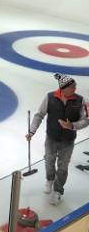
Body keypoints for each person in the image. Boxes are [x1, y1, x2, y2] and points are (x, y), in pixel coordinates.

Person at [26, 73, 89, 205]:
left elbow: (86, 120)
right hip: (51, 138)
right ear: (63, 88)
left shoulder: (80, 100)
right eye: (72, 86)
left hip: (68, 141)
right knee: (49, 160)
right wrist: (32, 131)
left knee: (63, 167)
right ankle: (49, 179)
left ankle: (58, 191)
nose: (75, 88)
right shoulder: (50, 97)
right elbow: (39, 115)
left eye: (75, 85)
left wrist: (71, 126)